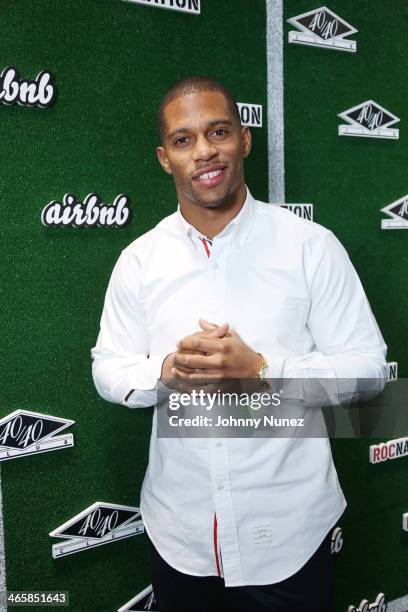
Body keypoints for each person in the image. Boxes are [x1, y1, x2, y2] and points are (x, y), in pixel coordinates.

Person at [91, 76, 387, 611]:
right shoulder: (139, 260)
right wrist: (164, 373)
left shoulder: (311, 248)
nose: (204, 151)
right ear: (164, 159)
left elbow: (369, 372)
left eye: (218, 132)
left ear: (244, 140)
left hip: (292, 538)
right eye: (184, 140)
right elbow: (108, 367)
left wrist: (263, 369)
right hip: (180, 539)